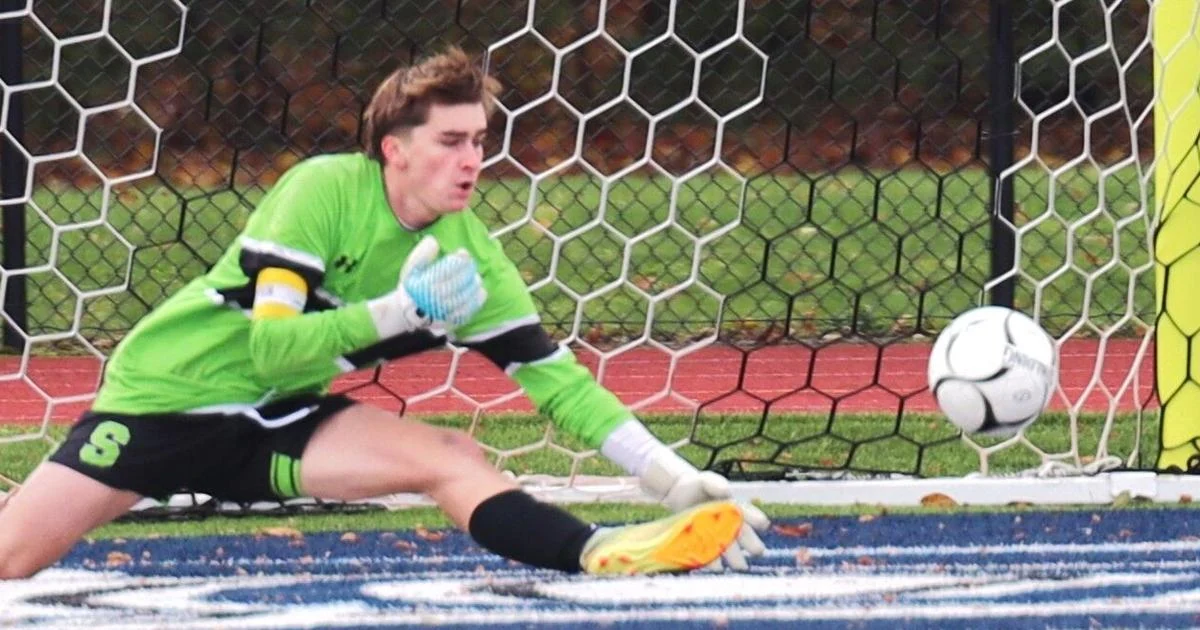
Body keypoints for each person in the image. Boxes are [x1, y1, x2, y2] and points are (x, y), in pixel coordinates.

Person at [0, 46, 769, 580]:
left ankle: (601, 553)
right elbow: (270, 351)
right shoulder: (325, 190)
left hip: (278, 420)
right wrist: (396, 313)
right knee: (11, 559)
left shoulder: (471, 261)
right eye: (451, 141)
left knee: (451, 455)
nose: (472, 160)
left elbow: (556, 382)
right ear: (394, 150)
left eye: (479, 141)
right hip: (164, 401)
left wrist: (668, 474)